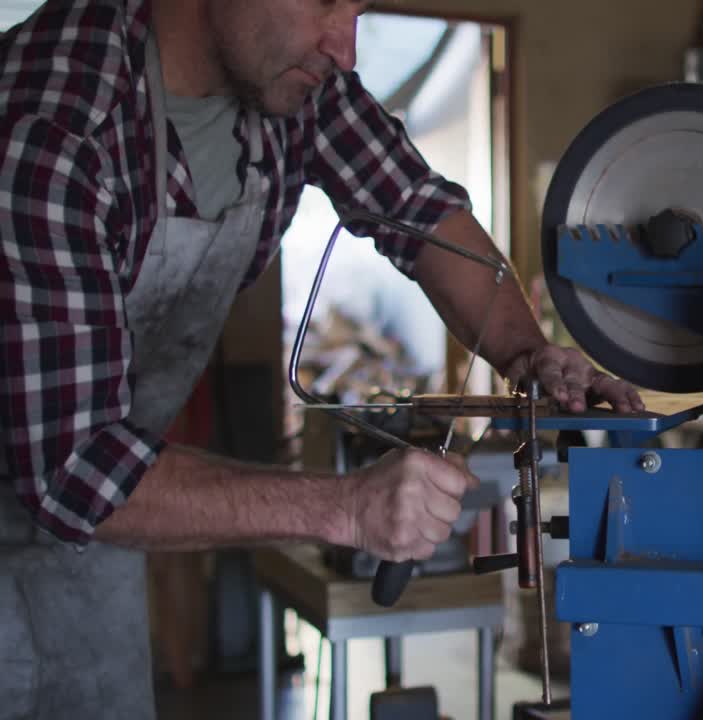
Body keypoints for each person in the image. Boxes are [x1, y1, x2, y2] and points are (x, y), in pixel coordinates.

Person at [0, 1, 643, 717]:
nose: (346, 48)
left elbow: (421, 212)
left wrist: (530, 355)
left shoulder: (296, 86)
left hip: (99, 529)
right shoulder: (57, 125)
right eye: (325, 2)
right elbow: (74, 465)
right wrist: (348, 508)